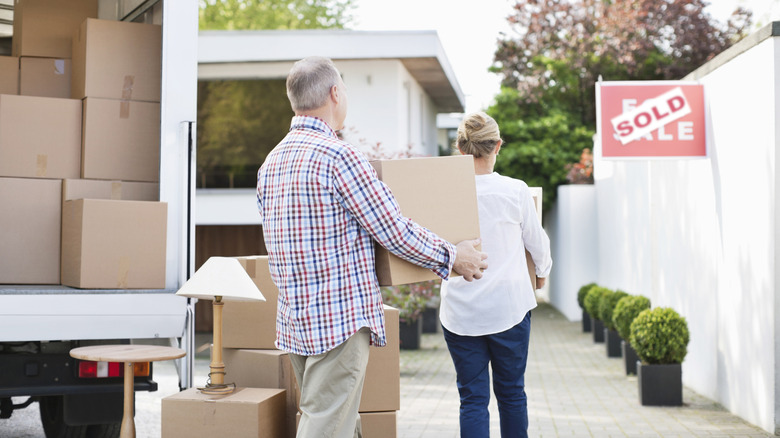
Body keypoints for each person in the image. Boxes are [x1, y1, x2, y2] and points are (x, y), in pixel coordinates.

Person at [256, 56, 488, 438]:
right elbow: (392, 229)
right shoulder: (339, 157)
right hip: (339, 319)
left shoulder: (273, 162)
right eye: (344, 89)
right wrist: (453, 255)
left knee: (337, 419)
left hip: (297, 318)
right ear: (334, 93)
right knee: (326, 423)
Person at [440, 111, 552, 438]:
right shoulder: (515, 191)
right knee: (512, 394)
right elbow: (538, 243)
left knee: (472, 399)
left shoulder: (445, 193)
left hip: (461, 313)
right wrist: (541, 275)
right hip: (509, 310)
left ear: (460, 148)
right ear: (497, 146)